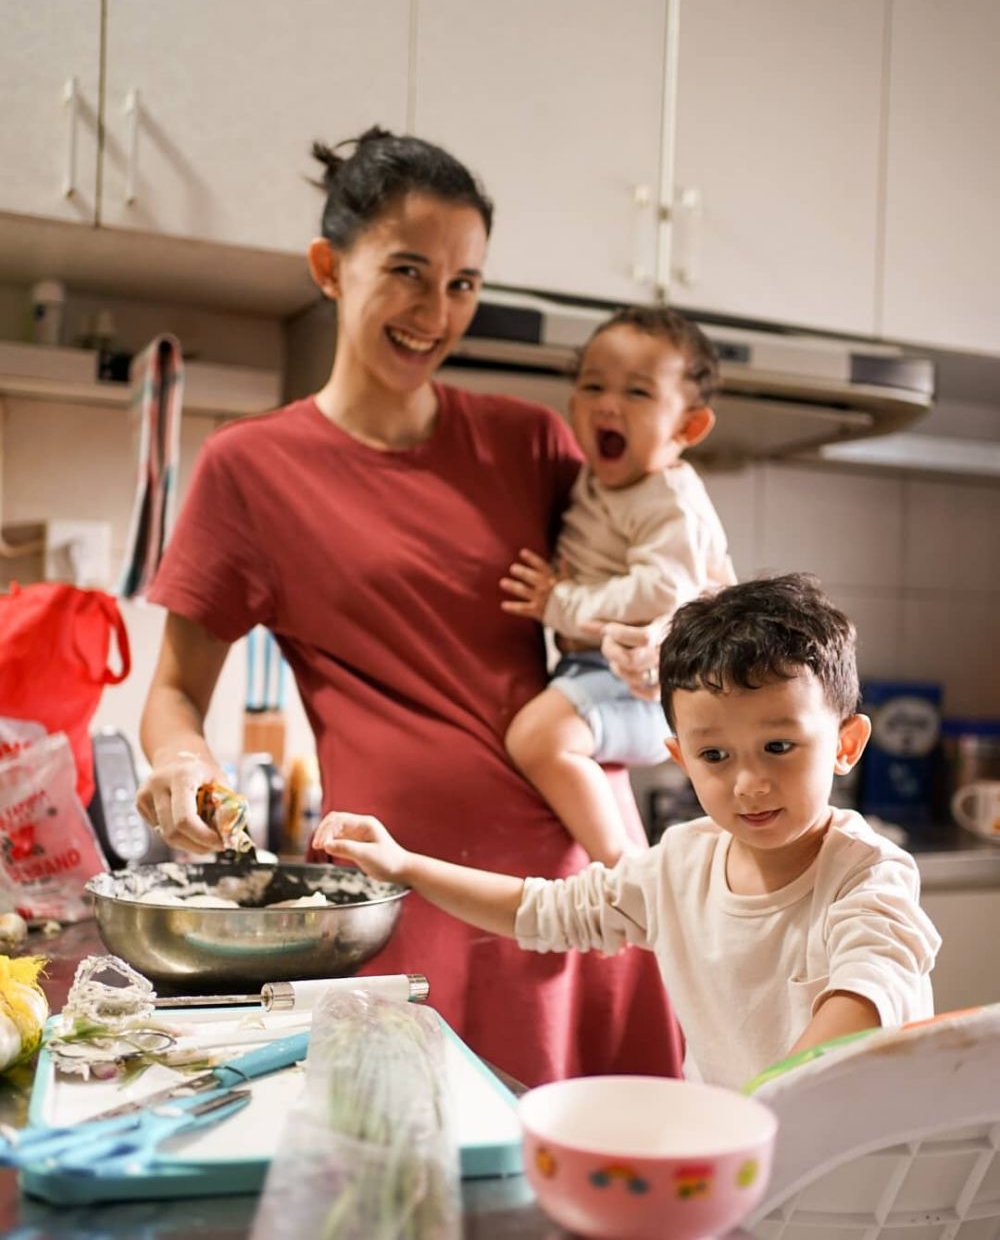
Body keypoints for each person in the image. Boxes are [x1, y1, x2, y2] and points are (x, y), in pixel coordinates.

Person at [135, 126, 684, 1087]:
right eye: (408, 271)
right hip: (405, 896)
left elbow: (670, 570)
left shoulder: (533, 446)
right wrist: (183, 766)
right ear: (329, 269)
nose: (437, 311)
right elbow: (175, 690)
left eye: (464, 283)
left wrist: (665, 635)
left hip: (570, 894)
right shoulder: (251, 470)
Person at [313, 574, 942, 1090]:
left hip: (857, 1187)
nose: (749, 782)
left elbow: (863, 1001)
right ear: (680, 757)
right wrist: (405, 866)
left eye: (779, 746)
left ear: (847, 744)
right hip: (738, 1175)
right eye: (716, 756)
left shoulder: (868, 874)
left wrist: (754, 1115)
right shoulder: (680, 865)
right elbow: (541, 909)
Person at [500, 306, 736, 867]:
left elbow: (661, 592)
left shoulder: (667, 496)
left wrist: (560, 602)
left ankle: (624, 869)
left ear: (688, 427)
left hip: (647, 687)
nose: (608, 403)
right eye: (593, 385)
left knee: (536, 740)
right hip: (599, 673)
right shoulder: (598, 478)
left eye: (637, 393)